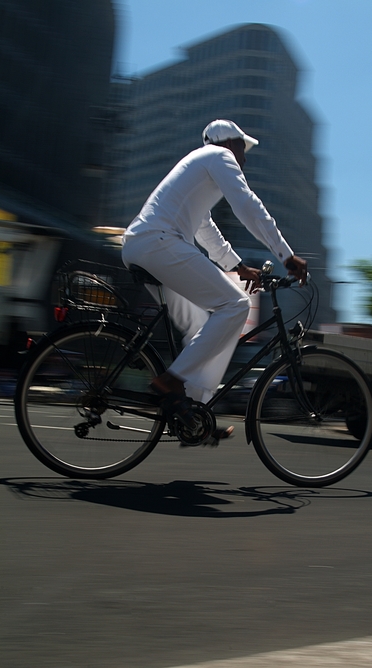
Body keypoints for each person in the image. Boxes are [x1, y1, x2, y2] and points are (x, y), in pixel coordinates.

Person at [122, 119, 307, 438]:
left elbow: (207, 230)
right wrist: (285, 255)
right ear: (229, 143)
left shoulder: (198, 169)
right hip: (160, 242)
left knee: (200, 327)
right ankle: (171, 380)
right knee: (235, 306)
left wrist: (237, 266)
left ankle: (192, 417)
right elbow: (248, 206)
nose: (245, 158)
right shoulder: (218, 156)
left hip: (144, 245)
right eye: (243, 148)